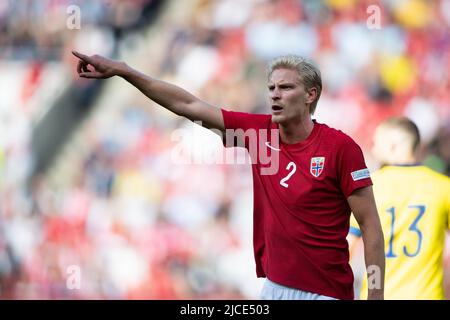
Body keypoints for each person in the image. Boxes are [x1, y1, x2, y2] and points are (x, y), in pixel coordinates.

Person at [71, 51, 385, 300]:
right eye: (272, 88)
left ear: (310, 95)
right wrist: (125, 71)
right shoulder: (257, 133)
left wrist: (376, 294)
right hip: (275, 288)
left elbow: (370, 226)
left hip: (326, 292)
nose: (275, 95)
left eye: (286, 87)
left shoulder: (340, 148)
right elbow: (188, 104)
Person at [348, 117, 450, 299]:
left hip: (377, 294)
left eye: (376, 143)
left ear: (393, 146)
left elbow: (346, 248)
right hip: (427, 295)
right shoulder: (443, 187)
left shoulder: (368, 187)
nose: (373, 149)